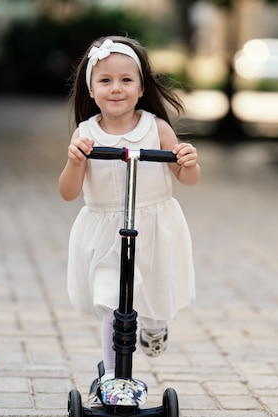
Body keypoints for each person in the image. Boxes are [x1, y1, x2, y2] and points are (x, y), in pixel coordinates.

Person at [58, 36, 201, 400]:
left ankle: (154, 327)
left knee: (153, 297)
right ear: (91, 89)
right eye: (105, 80)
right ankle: (113, 379)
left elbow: (187, 179)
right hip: (107, 233)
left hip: (154, 226)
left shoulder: (157, 129)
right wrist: (75, 161)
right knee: (112, 298)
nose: (116, 89)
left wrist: (187, 161)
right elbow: (68, 192)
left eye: (126, 80)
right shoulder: (86, 134)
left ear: (141, 88)